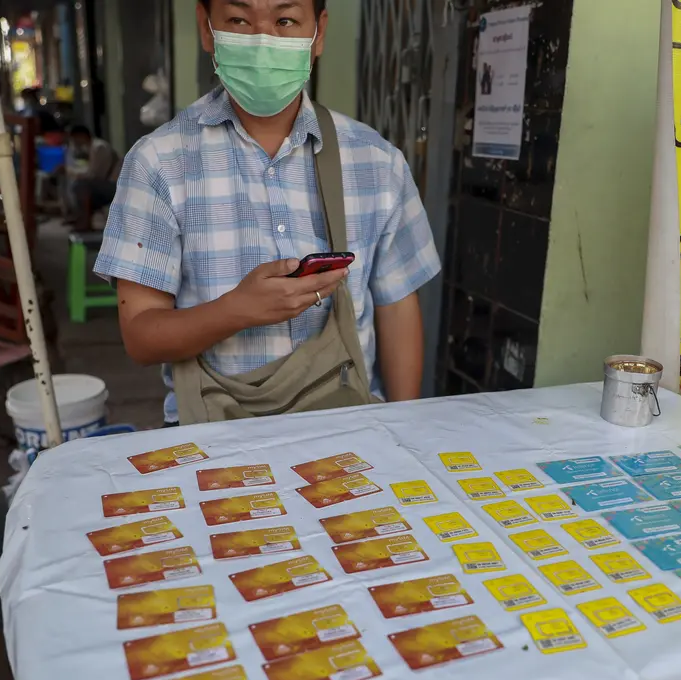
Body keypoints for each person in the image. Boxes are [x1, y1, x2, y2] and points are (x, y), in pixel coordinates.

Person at [95, 0, 441, 427]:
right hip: (211, 437)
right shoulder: (158, 163)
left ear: (319, 33)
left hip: (350, 432)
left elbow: (397, 308)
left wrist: (401, 430)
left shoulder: (376, 161)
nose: (263, 40)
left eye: (285, 21)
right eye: (239, 20)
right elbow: (141, 337)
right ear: (207, 28)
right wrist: (237, 310)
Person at [62, 125, 119, 231]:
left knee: (81, 186)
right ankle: (81, 217)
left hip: (116, 185)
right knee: (79, 185)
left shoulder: (99, 147)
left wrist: (69, 171)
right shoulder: (91, 148)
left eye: (74, 139)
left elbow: (95, 175)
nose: (74, 142)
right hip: (108, 184)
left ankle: (85, 221)